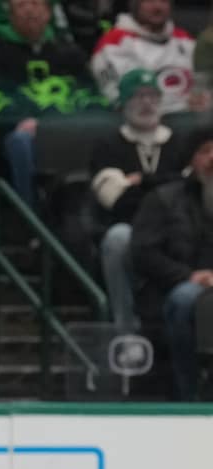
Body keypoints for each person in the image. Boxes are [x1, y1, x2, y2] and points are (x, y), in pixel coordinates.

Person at [0, 0, 100, 207]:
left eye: (36, 4)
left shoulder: (70, 53)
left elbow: (93, 96)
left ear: (48, 13)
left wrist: (80, 120)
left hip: (71, 128)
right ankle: (29, 213)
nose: (29, 10)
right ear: (11, 14)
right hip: (20, 132)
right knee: (20, 141)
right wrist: (19, 119)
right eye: (21, 5)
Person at [92, 69, 186, 330]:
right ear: (123, 102)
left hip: (178, 227)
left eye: (153, 96)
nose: (147, 103)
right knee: (117, 238)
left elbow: (188, 188)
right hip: (132, 227)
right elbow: (115, 199)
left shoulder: (179, 143)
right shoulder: (108, 145)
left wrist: (142, 181)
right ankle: (125, 327)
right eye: (138, 96)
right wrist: (167, 182)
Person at [131, 126, 213, 400]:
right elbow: (143, 252)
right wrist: (188, 276)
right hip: (179, 285)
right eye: (205, 151)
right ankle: (187, 393)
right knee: (185, 299)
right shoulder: (165, 198)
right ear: (192, 159)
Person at [90, 0, 199, 115]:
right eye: (149, 1)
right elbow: (119, 99)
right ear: (135, 5)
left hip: (191, 123)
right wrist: (183, 105)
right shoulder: (113, 43)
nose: (157, 7)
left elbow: (202, 85)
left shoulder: (185, 39)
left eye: (164, 1)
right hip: (140, 126)